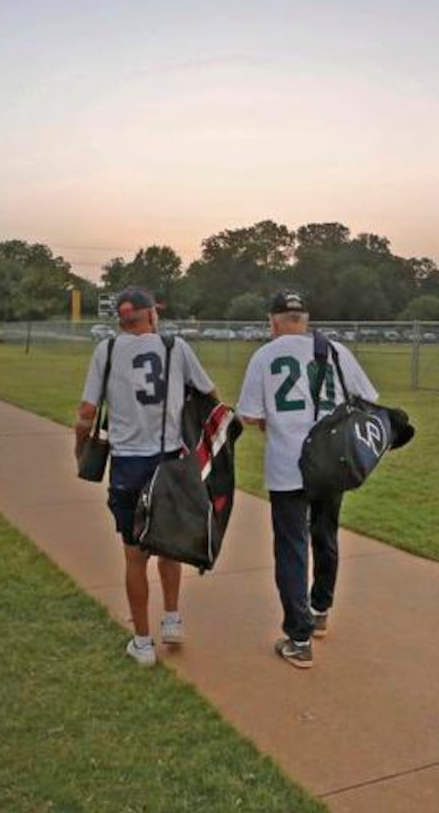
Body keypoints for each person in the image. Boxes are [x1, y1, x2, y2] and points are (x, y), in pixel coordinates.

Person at [75, 287, 217, 667]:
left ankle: (142, 642)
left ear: (122, 319)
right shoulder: (176, 348)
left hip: (127, 464)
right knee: (168, 545)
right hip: (168, 459)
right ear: (150, 314)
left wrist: (80, 449)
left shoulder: (105, 351)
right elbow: (209, 395)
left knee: (134, 556)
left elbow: (87, 411)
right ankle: (171, 619)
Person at [237, 289, 379, 669]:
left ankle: (298, 638)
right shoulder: (335, 351)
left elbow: (249, 414)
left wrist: (277, 423)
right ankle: (320, 610)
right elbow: (368, 399)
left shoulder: (265, 355)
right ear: (306, 320)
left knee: (292, 547)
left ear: (273, 321)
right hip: (331, 463)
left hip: (287, 465)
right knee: (325, 534)